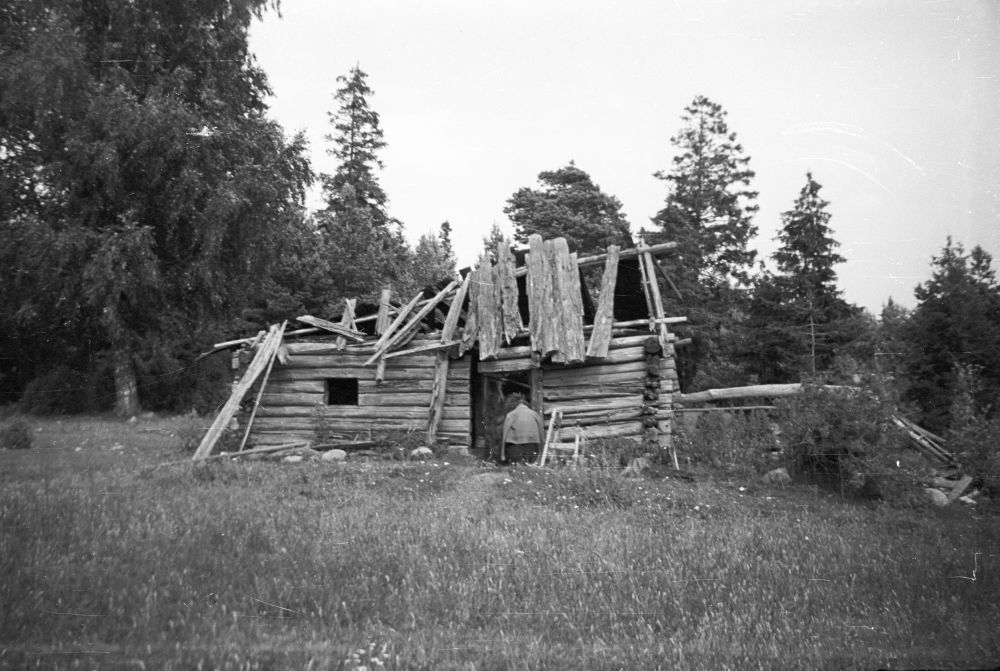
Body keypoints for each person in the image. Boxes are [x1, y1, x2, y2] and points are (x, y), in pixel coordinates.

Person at [500, 392, 544, 464]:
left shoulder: (511, 414)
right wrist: (542, 451)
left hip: (515, 447)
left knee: (517, 462)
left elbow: (504, 434)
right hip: (532, 447)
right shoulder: (534, 414)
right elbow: (541, 435)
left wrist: (502, 454)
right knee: (529, 463)